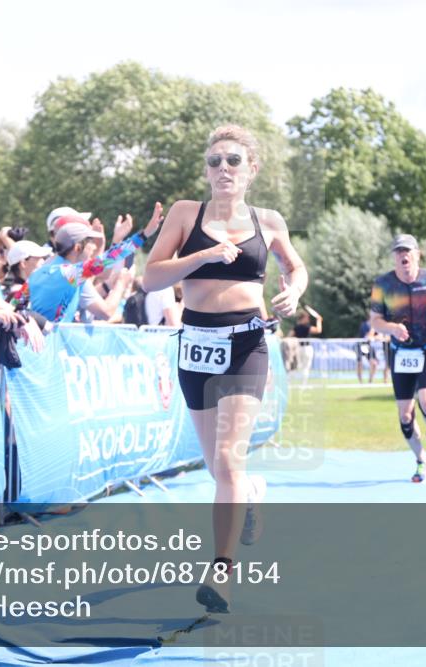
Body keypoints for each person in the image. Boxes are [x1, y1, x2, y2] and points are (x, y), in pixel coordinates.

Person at [142, 124, 307, 613]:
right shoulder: (185, 214)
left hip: (246, 345)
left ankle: (222, 572)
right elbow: (151, 278)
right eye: (214, 162)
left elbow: (295, 267)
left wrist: (294, 290)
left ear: (251, 169)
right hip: (195, 345)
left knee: (228, 461)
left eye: (233, 160)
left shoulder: (269, 220)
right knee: (220, 468)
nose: (222, 170)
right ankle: (253, 491)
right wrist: (205, 255)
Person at [369, 233, 426, 484]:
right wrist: (391, 328)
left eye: (407, 251)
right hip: (400, 353)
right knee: (405, 416)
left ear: (417, 255)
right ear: (394, 257)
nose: (403, 256)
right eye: (398, 252)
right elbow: (374, 320)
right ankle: (422, 461)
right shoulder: (383, 285)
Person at [26, 222, 134, 323]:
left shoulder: (36, 274)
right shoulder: (72, 273)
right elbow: (111, 257)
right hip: (53, 341)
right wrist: (121, 283)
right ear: (77, 247)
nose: (94, 246)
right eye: (90, 241)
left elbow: (15, 305)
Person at [291, 306, 322, 383]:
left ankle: (293, 383)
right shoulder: (307, 327)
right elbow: (318, 330)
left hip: (298, 349)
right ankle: (303, 385)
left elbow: (289, 336)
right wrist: (319, 320)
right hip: (306, 349)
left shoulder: (296, 327)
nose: (308, 319)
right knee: (305, 367)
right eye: (307, 317)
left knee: (298, 367)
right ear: (303, 318)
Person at [356, 317, 380, 384]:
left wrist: (374, 336)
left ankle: (370, 381)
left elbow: (380, 336)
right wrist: (373, 330)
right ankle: (360, 382)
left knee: (374, 364)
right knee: (359, 363)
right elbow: (367, 336)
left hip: (368, 346)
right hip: (361, 345)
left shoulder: (376, 326)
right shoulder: (364, 325)